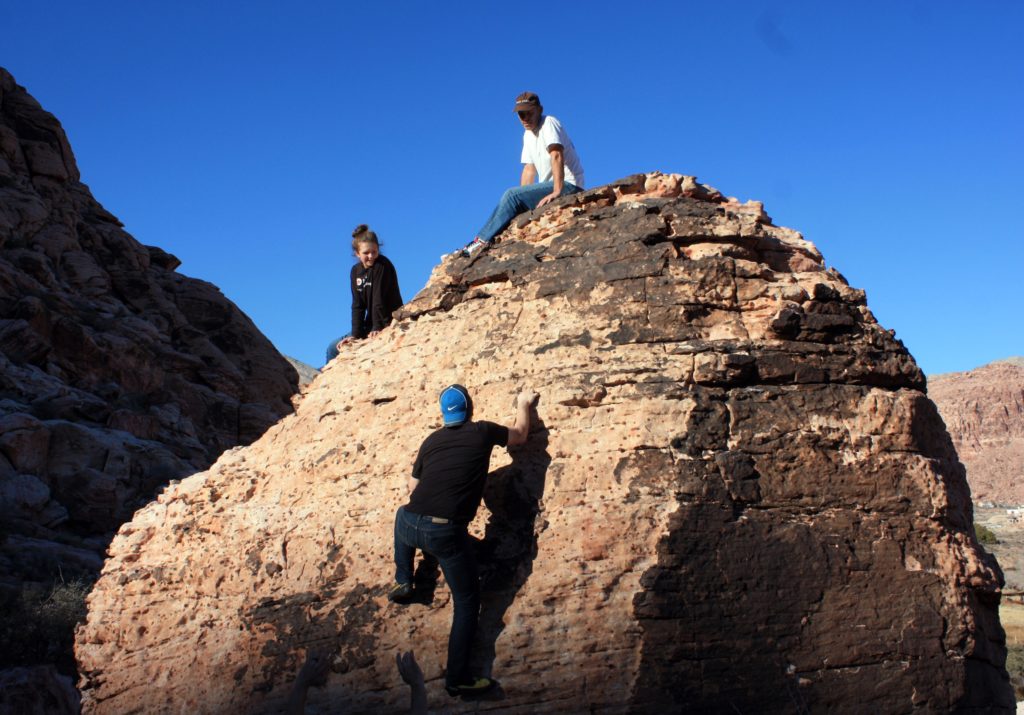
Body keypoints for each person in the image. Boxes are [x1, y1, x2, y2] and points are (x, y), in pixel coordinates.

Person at [390, 384, 538, 698]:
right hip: (445, 533)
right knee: (468, 603)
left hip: (410, 525)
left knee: (404, 514)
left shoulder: (431, 441)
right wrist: (523, 402)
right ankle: (459, 678)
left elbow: (413, 487)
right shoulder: (482, 432)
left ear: (444, 414)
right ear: (469, 408)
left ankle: (404, 580)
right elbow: (521, 435)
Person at [460, 92, 585, 257]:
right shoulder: (527, 135)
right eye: (521, 114)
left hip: (569, 185)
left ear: (539, 110)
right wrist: (521, 200)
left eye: (529, 113)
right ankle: (483, 239)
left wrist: (557, 191)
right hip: (550, 186)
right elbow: (529, 169)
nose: (525, 118)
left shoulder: (549, 123)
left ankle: (480, 242)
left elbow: (556, 154)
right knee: (513, 197)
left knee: (511, 195)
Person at [325, 224, 403, 363]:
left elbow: (379, 299)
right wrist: (355, 334)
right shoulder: (355, 271)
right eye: (366, 253)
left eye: (374, 251)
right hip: (369, 324)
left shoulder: (382, 266)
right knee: (332, 348)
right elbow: (357, 305)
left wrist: (377, 327)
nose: (371, 256)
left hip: (387, 320)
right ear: (357, 253)